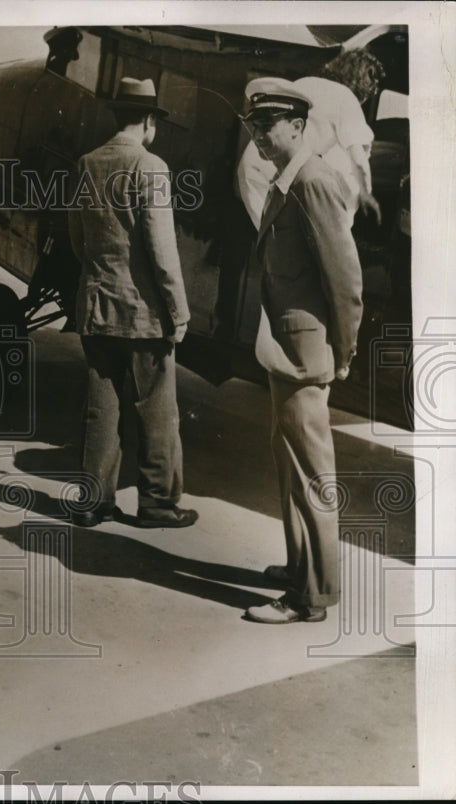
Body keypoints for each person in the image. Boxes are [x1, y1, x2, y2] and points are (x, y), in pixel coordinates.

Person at [239, 78, 364, 624]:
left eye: (268, 125)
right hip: (285, 349)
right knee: (290, 467)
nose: (260, 137)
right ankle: (298, 568)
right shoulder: (284, 182)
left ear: (297, 125)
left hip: (305, 353)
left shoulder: (312, 181)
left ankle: (309, 596)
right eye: (254, 127)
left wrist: (345, 348)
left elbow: (345, 279)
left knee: (312, 477)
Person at [66, 77, 198, 530]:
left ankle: (92, 502)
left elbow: (78, 241)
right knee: (157, 410)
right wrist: (178, 312)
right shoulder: (151, 166)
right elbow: (162, 249)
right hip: (143, 315)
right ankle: (158, 503)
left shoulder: (87, 163)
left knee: (101, 408)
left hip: (97, 306)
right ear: (147, 121)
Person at [236, 48, 386, 229]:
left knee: (271, 236)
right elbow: (358, 161)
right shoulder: (347, 98)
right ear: (363, 86)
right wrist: (366, 194)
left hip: (252, 164)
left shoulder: (305, 83)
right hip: (277, 167)